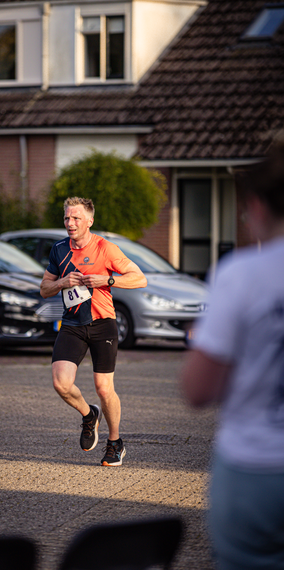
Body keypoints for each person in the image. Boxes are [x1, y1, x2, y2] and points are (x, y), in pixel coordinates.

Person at [181, 139, 284, 569]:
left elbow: (197, 390)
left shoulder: (242, 274)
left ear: (258, 205)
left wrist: (202, 343)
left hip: (256, 467)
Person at [40, 197, 147, 466]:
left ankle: (115, 443)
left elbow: (140, 278)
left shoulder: (105, 248)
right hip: (72, 325)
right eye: (67, 218)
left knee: (103, 387)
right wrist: (62, 282)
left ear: (89, 221)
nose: (70, 223)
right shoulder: (59, 250)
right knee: (60, 383)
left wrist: (107, 280)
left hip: (103, 324)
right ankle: (89, 416)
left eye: (76, 218)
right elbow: (44, 289)